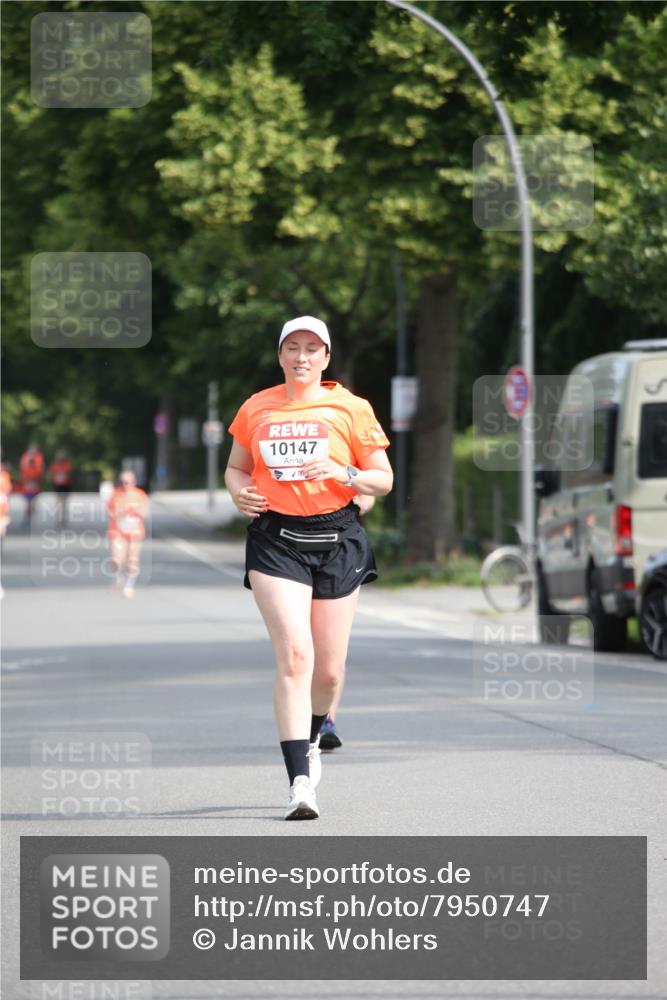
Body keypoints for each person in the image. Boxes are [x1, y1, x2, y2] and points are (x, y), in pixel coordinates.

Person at [225, 316, 393, 820]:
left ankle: (317, 731)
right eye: (292, 348)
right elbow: (236, 467)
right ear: (280, 356)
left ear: (326, 358)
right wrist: (239, 494)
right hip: (277, 540)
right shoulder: (256, 407)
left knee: (329, 669)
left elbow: (383, 479)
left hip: (339, 537)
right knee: (295, 656)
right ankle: (300, 782)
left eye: (312, 349)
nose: (302, 357)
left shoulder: (351, 408)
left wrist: (345, 472)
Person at [106, 470, 149, 598]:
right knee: (116, 560)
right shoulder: (115, 494)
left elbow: (146, 513)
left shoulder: (140, 495)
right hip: (118, 530)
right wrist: (122, 512)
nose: (126, 485)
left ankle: (129, 585)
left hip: (135, 531)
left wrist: (136, 511)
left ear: (134, 482)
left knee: (132, 560)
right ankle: (117, 576)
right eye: (123, 482)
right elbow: (109, 513)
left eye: (128, 482)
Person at [19, 442, 44, 526]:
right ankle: (27, 519)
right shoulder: (25, 457)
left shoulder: (39, 457)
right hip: (27, 483)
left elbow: (41, 469)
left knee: (33, 503)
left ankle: (30, 517)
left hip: (35, 482)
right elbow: (22, 468)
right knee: (28, 502)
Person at [49, 450, 73, 528]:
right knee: (59, 503)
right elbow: (52, 475)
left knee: (63, 503)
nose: (60, 460)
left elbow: (69, 475)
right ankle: (58, 519)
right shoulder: (54, 466)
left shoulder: (67, 465)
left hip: (65, 486)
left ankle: (62, 519)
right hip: (58, 486)